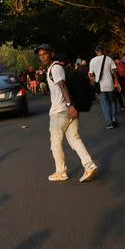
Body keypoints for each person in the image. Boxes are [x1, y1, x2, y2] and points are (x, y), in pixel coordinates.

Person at [35, 44, 98, 182]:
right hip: (68, 109)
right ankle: (89, 165)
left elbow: (63, 86)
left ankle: (61, 171)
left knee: (55, 143)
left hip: (60, 111)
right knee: (74, 139)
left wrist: (69, 105)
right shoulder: (55, 68)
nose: (42, 57)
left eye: (44, 54)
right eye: (40, 55)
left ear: (52, 54)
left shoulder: (55, 68)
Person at [88, 44, 120, 129]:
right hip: (110, 85)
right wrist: (118, 83)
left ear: (96, 51)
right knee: (113, 102)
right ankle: (114, 119)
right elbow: (114, 72)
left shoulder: (92, 60)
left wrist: (93, 77)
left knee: (104, 104)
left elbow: (91, 74)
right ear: (103, 50)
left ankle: (109, 123)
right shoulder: (109, 59)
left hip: (99, 86)